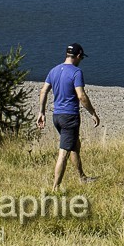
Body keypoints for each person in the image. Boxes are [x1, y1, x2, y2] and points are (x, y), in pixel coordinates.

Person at [37, 42, 100, 188]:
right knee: (63, 152)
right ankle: (55, 188)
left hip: (57, 116)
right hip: (69, 117)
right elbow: (81, 95)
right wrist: (93, 113)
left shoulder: (53, 70)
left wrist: (41, 112)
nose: (81, 61)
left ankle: (82, 177)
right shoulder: (76, 72)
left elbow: (43, 91)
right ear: (78, 56)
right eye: (81, 58)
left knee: (74, 145)